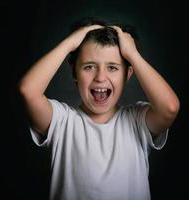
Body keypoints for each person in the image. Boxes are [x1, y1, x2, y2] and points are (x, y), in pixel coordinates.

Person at [18, 18, 180, 200]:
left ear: (128, 74)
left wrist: (132, 54)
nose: (100, 77)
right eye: (89, 67)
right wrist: (70, 43)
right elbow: (28, 92)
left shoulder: (138, 121)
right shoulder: (62, 121)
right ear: (74, 73)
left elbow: (170, 107)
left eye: (112, 67)